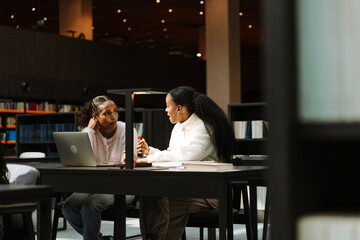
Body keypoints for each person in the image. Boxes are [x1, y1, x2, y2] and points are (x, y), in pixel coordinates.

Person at [136, 86, 235, 240]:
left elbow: (185, 156)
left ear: (179, 108)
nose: (166, 110)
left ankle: (152, 238)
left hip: (213, 192)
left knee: (162, 201)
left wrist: (147, 159)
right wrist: (150, 151)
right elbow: (173, 154)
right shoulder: (177, 128)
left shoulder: (204, 127)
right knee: (153, 195)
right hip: (191, 188)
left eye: (168, 106)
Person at [62, 95, 138, 240]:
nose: (113, 117)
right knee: (68, 207)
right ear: (95, 117)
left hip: (123, 186)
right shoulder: (90, 133)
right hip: (94, 184)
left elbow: (128, 161)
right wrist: (89, 131)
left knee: (90, 205)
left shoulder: (127, 130)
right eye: (107, 113)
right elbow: (82, 160)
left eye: (115, 111)